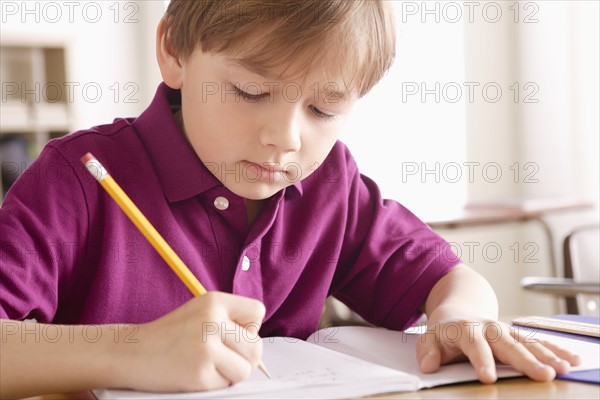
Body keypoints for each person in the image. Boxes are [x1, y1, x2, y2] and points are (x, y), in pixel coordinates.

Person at [0, 1, 580, 398]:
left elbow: (450, 277)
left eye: (325, 109)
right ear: (175, 51)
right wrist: (130, 350)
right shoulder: (78, 180)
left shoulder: (331, 183)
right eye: (251, 90)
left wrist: (460, 320)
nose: (287, 138)